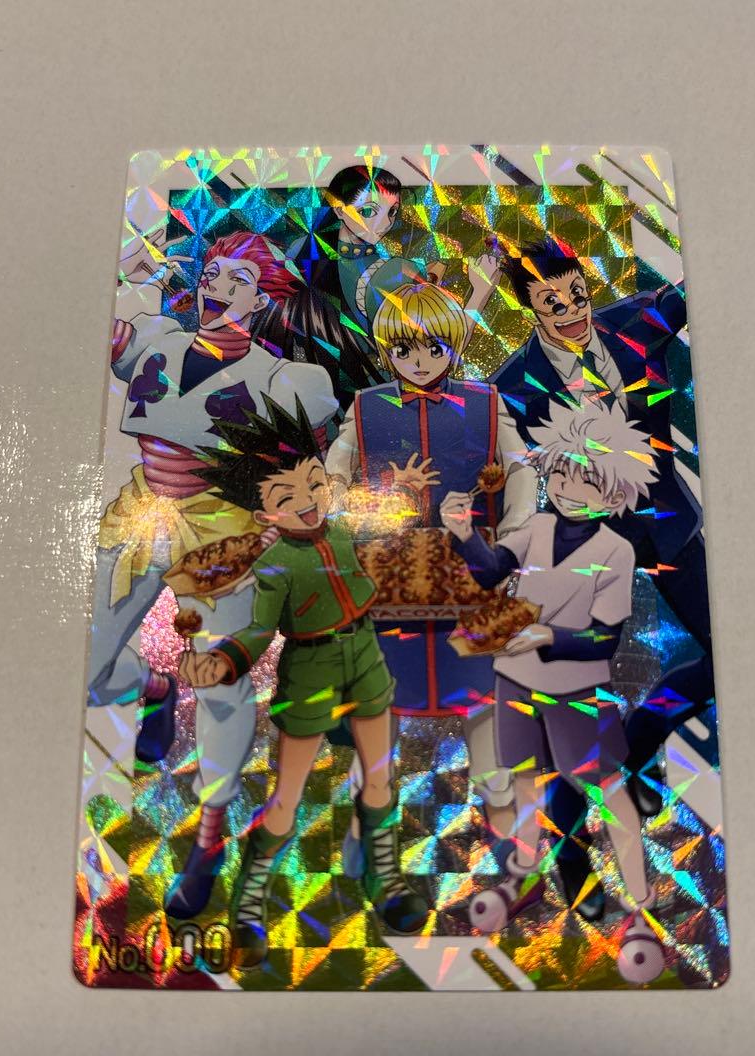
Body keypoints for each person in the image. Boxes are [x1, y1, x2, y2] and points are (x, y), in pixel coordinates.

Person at [89, 230, 339, 920]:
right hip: (142, 514)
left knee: (223, 689)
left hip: (222, 530)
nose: (218, 286)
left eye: (238, 280)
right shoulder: (155, 339)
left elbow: (311, 464)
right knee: (86, 666)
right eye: (213, 272)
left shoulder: (284, 379)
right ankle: (153, 687)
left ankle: (209, 838)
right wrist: (123, 273)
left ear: (261, 301)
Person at [178, 396, 428, 967]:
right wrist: (224, 662)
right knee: (286, 797)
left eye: (314, 483)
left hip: (365, 657)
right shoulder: (274, 565)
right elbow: (258, 631)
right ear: (263, 512)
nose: (309, 502)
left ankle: (385, 881)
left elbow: (386, 525)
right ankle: (248, 902)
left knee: (380, 781)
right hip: (310, 667)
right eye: (285, 497)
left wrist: (407, 495)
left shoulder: (341, 529)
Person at [441, 398, 667, 983]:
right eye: (563, 473)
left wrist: (546, 634)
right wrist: (464, 534)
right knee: (522, 778)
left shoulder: (616, 551)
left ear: (616, 495)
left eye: (588, 482)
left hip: (577, 692)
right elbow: (491, 571)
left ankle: (640, 902)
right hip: (514, 678)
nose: (569, 488)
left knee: (606, 789)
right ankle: (523, 872)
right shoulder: (537, 527)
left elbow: (604, 641)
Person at [493, 238, 713, 823]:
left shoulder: (637, 321)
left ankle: (639, 747)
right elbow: (491, 456)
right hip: (589, 544)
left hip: (667, 523)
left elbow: (702, 284)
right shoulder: (515, 384)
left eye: (577, 295)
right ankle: (573, 798)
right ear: (531, 308)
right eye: (552, 303)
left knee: (722, 654)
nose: (571, 310)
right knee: (582, 675)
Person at [325, 281, 536, 855]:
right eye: (404, 350)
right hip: (387, 576)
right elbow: (336, 473)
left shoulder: (486, 402)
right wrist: (358, 505)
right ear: (386, 350)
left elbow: (520, 468)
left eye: (432, 348)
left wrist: (514, 537)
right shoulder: (366, 406)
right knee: (378, 701)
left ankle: (501, 810)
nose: (418, 361)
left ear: (454, 345)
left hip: (470, 572)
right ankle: (367, 817)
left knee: (482, 697)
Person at [263, 164, 500, 408]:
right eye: (368, 211)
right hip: (383, 400)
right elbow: (440, 355)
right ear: (339, 209)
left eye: (392, 212)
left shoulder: (300, 250)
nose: (384, 223)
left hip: (308, 395)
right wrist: (481, 292)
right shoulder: (394, 272)